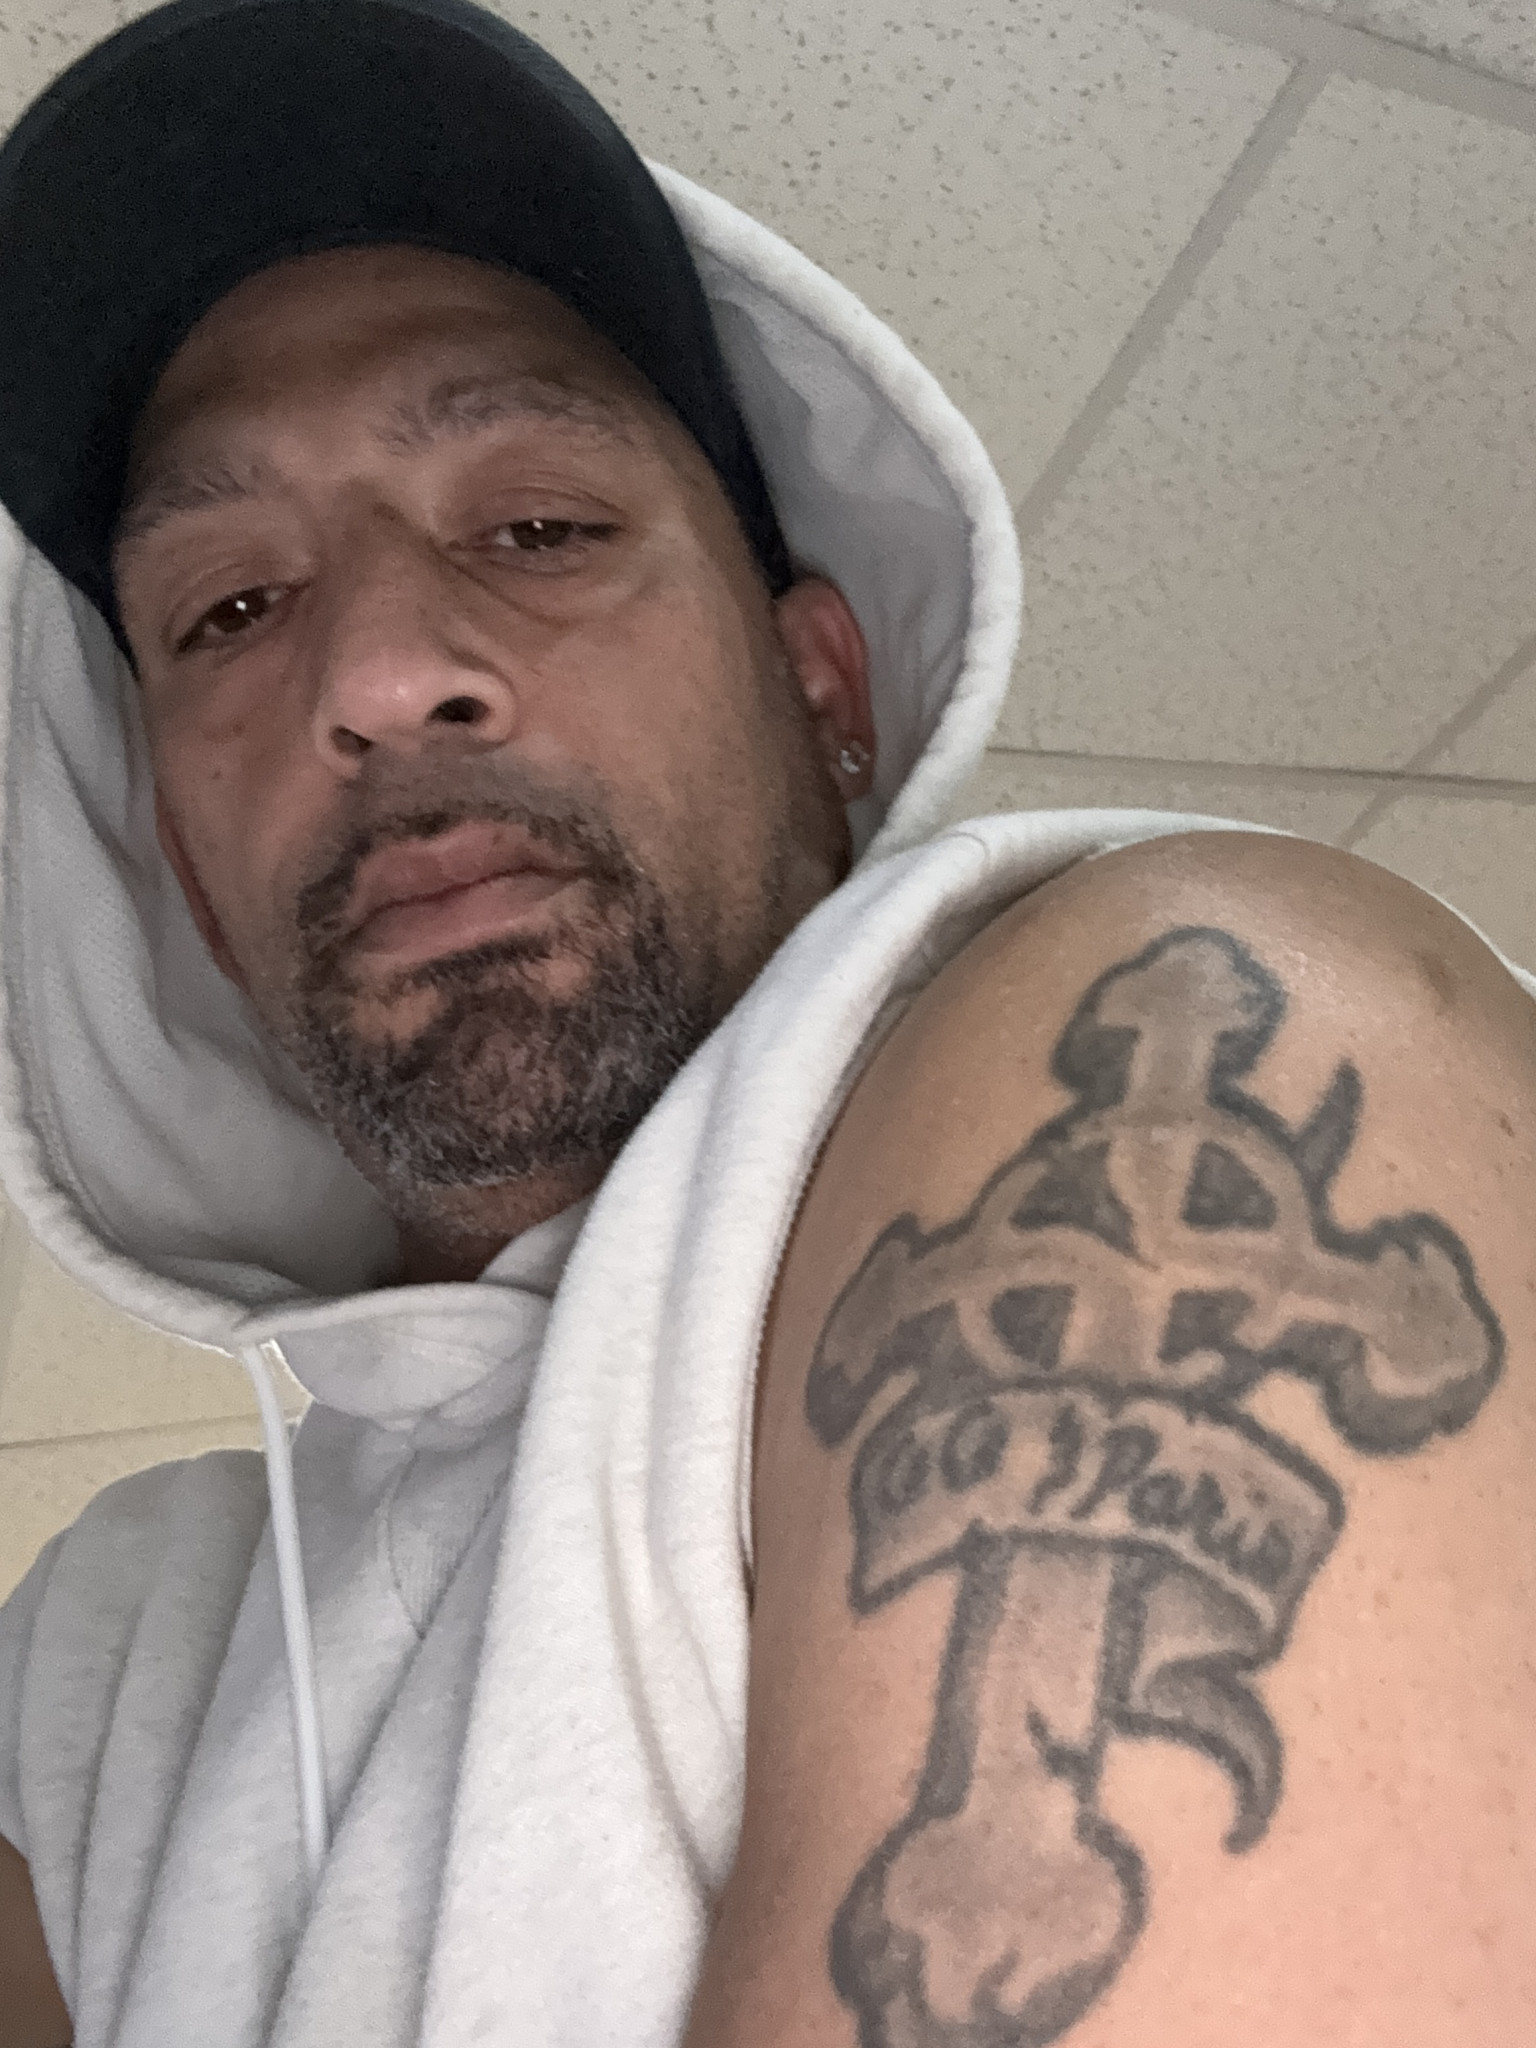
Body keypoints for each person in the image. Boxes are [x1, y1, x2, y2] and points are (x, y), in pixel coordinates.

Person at [0, 1, 1531, 2044]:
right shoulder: (101, 1643)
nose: (374, 668)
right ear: (192, 877)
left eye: (536, 526)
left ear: (824, 695)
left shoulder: (1185, 1011)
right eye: (229, 609)